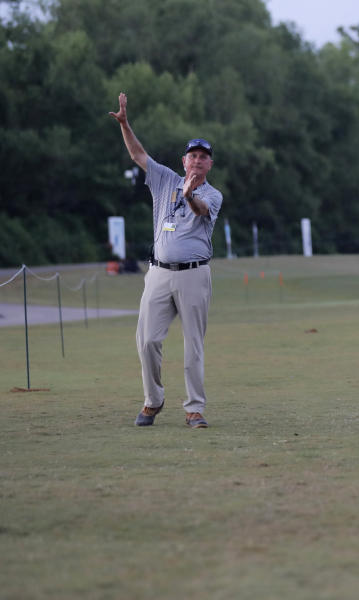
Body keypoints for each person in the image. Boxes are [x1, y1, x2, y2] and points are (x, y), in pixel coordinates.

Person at [109, 93, 223, 429]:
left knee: (193, 346)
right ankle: (153, 400)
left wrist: (190, 197)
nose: (198, 160)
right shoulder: (165, 180)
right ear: (184, 160)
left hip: (193, 275)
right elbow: (138, 154)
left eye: (204, 157)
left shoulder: (211, 194)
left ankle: (194, 410)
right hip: (158, 272)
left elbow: (201, 210)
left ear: (209, 165)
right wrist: (125, 124)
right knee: (147, 340)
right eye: (193, 155)